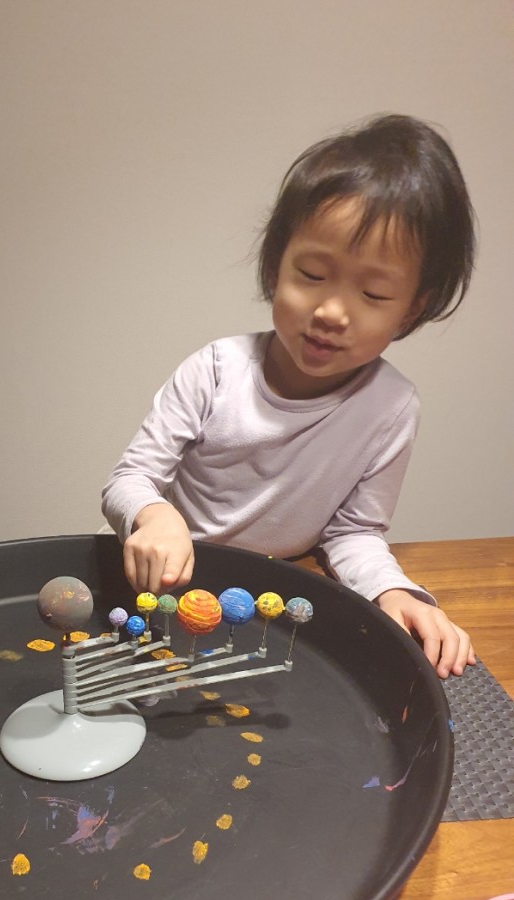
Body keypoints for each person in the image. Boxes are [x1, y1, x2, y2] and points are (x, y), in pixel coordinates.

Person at [101, 114, 477, 679]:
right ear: (277, 265)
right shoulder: (216, 370)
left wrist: (394, 591)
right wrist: (155, 517)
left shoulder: (392, 406)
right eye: (312, 274)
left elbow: (354, 532)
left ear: (411, 310)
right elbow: (130, 479)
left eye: (374, 293)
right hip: (168, 585)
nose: (331, 311)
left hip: (275, 601)